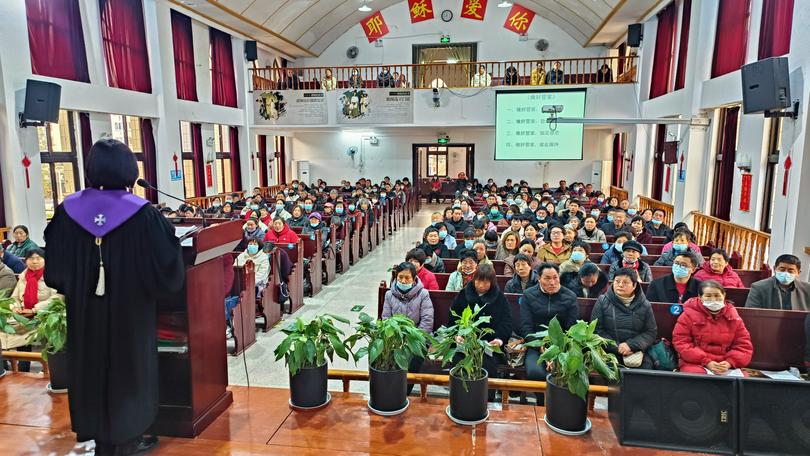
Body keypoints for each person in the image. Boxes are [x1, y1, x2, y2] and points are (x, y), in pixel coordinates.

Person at [44, 139, 185, 454]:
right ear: (129, 172)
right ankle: (127, 437)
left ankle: (103, 439)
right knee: (129, 370)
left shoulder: (67, 212)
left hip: (85, 316)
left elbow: (54, 272)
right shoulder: (143, 215)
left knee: (92, 369)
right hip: (130, 317)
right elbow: (167, 271)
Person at [449, 264, 512, 389]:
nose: (481, 285)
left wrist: (499, 340)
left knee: (486, 365)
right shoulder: (463, 294)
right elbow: (453, 319)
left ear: (492, 282)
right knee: (459, 363)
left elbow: (507, 323)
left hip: (489, 344)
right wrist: (457, 335)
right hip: (466, 344)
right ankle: (459, 398)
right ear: (474, 279)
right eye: (478, 281)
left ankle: (485, 400)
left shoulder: (500, 298)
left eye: (486, 282)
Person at [672, 281, 753, 375]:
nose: (713, 299)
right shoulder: (687, 315)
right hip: (695, 363)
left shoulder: (734, 317)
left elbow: (743, 345)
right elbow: (681, 343)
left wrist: (730, 362)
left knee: (741, 381)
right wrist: (706, 361)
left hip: (725, 363)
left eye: (717, 295)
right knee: (697, 378)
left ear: (724, 295)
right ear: (700, 297)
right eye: (708, 296)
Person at [521, 263, 579, 383]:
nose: (552, 282)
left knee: (565, 370)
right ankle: (542, 402)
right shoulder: (528, 295)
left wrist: (557, 351)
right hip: (536, 344)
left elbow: (571, 328)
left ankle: (561, 401)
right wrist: (542, 349)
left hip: (562, 345)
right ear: (539, 279)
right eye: (547, 278)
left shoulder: (570, 296)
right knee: (535, 372)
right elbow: (526, 327)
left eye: (555, 277)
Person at [591, 268, 657, 369]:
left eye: (625, 282)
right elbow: (596, 330)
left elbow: (650, 332)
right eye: (617, 281)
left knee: (646, 372)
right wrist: (618, 347)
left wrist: (631, 345)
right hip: (609, 350)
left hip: (636, 350)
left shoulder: (645, 305)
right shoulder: (602, 301)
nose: (620, 285)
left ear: (634, 285)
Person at [383, 262, 434, 392]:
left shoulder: (423, 294)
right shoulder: (389, 295)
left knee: (415, 357)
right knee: (386, 355)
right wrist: (396, 338)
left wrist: (411, 338)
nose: (403, 281)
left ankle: (404, 392)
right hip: (395, 336)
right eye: (400, 277)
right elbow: (386, 318)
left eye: (407, 278)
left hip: (418, 337)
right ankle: (389, 389)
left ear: (414, 278)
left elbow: (427, 321)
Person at [745, 254, 810, 310]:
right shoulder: (759, 287)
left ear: (798, 273)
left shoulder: (807, 289)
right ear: (774, 269)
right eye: (782, 269)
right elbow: (752, 313)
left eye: (790, 271)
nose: (785, 273)